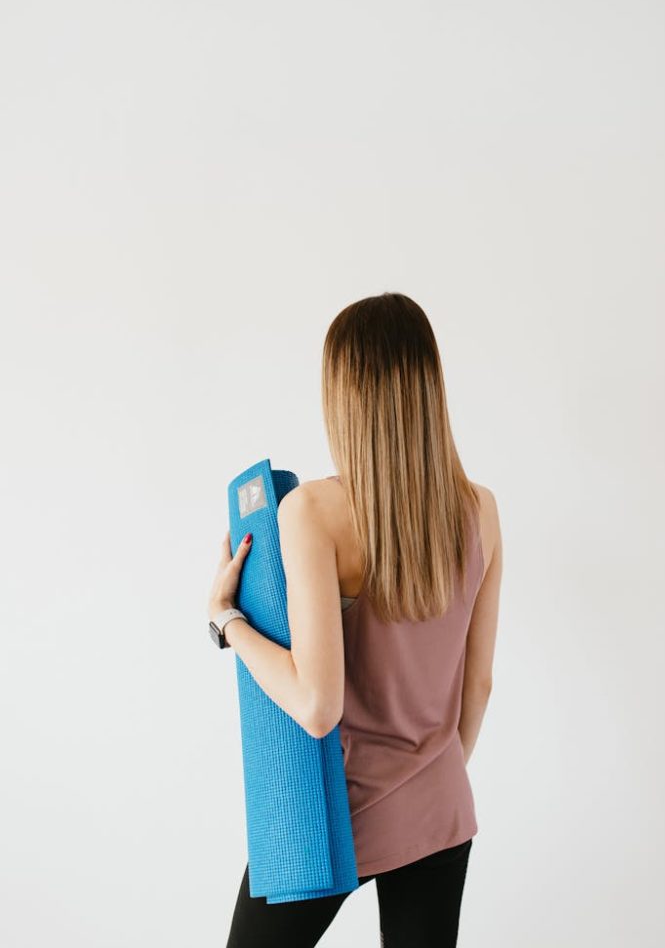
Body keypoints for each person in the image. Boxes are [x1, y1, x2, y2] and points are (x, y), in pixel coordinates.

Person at [208, 292, 503, 947]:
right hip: (440, 806)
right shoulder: (479, 510)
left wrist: (226, 619)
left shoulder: (311, 513)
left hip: (330, 816)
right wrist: (427, 777)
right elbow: (476, 687)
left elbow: (316, 704)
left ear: (342, 396)